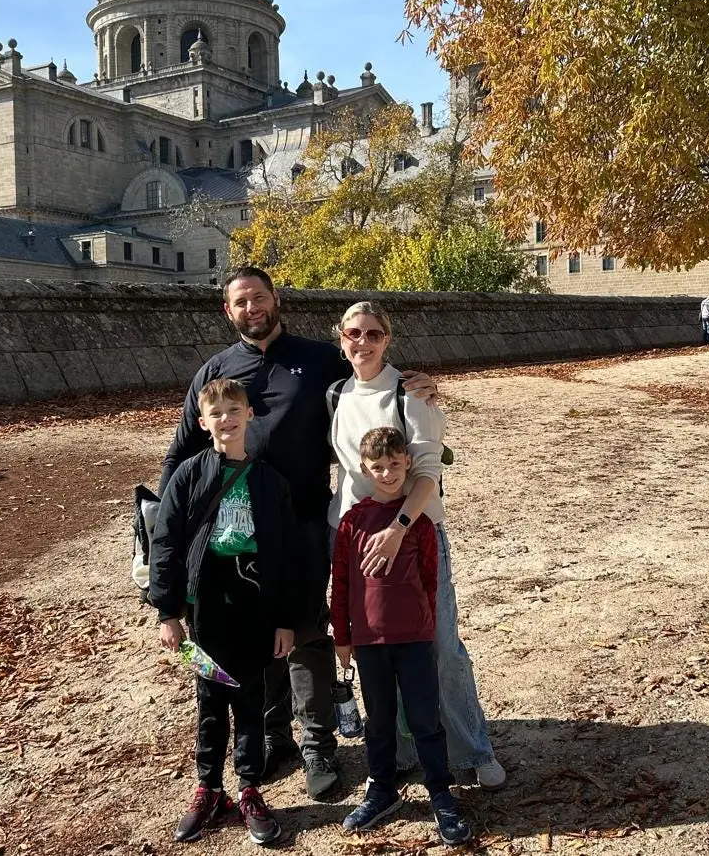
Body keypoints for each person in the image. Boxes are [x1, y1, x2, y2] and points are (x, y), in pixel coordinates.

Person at [159, 266, 436, 800]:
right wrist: (157, 540)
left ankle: (317, 745)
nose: (252, 309)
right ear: (228, 311)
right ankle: (271, 737)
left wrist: (417, 384)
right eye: (240, 302)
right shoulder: (215, 372)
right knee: (251, 637)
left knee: (305, 632)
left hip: (306, 523)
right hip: (236, 535)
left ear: (275, 299)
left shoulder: (318, 358)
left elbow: (370, 374)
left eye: (259, 298)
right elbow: (181, 454)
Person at [327, 301, 507, 792]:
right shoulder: (336, 393)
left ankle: (472, 747)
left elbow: (428, 472)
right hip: (360, 535)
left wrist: (399, 528)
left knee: (441, 645)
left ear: (388, 339)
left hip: (411, 534)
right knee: (384, 650)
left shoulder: (410, 394)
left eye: (373, 334)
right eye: (353, 333)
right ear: (340, 338)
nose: (362, 342)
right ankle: (406, 749)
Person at [150, 379, 298, 845]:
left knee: (251, 699)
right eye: (216, 414)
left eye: (235, 411)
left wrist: (286, 619)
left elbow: (288, 554)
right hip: (204, 607)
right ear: (202, 422)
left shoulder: (270, 481)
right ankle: (209, 787)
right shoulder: (189, 475)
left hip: (255, 603)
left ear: (249, 414)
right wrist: (168, 611)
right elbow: (167, 542)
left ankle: (250, 786)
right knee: (210, 700)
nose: (226, 420)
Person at [332, 427, 472, 846]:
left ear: (407, 463)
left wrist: (425, 626)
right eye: (378, 467)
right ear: (364, 469)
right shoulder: (352, 522)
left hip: (413, 638)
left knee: (425, 718)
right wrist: (343, 636)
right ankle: (382, 789)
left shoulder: (420, 522)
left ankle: (441, 792)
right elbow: (340, 584)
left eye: (395, 464)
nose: (388, 473)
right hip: (370, 642)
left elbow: (431, 578)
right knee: (379, 721)